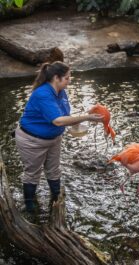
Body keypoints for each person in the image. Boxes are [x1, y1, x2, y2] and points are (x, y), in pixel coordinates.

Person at [15, 61, 103, 212]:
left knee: (54, 169)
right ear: (57, 78)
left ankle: (56, 198)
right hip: (32, 141)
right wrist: (86, 118)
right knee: (33, 173)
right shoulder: (43, 94)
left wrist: (78, 123)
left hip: (54, 139)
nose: (70, 81)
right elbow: (57, 120)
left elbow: (65, 116)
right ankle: (30, 204)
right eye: (67, 78)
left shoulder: (61, 92)